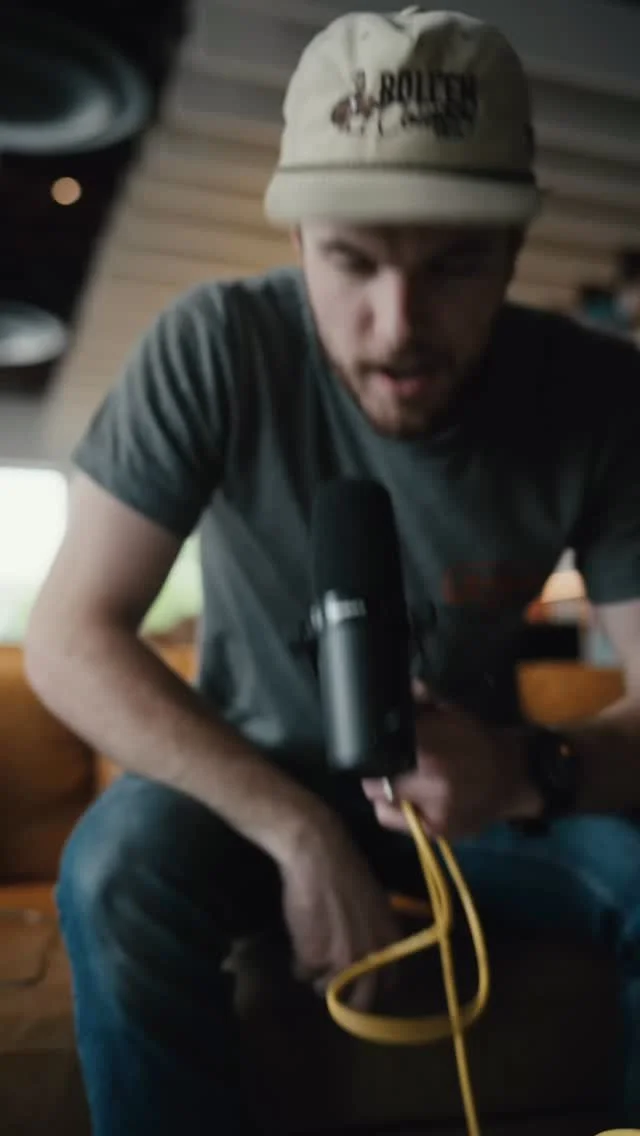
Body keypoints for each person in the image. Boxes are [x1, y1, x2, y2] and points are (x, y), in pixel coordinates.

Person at [24, 7, 640, 1134]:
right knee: (115, 871)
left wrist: (521, 770)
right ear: (300, 238)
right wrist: (297, 829)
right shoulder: (216, 344)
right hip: (241, 786)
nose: (397, 327)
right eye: (353, 260)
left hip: (472, 795)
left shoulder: (601, 400)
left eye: (454, 265)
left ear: (515, 246)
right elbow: (70, 636)